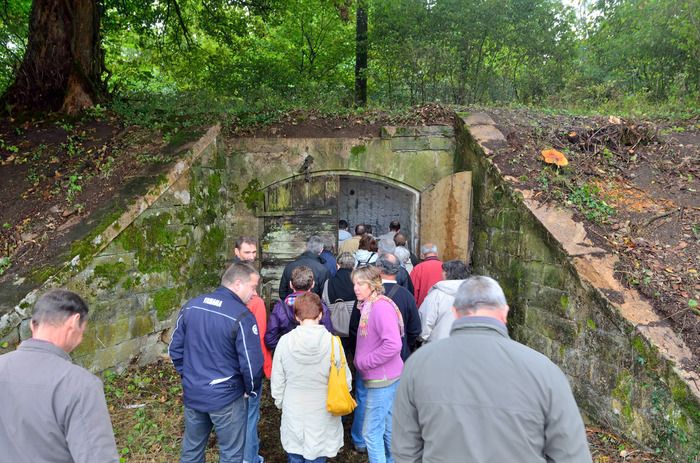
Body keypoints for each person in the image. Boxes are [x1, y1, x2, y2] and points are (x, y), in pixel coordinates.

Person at [392, 276, 592, 463]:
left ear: (454, 312)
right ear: (505, 312)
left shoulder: (418, 365)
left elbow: (406, 450)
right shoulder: (544, 370)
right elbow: (572, 454)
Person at [0, 289, 119, 463]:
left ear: (33, 325)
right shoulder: (80, 385)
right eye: (83, 331)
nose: (81, 339)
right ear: (74, 322)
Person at [170, 263, 264, 463]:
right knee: (231, 453)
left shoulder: (192, 305)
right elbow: (252, 363)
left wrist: (189, 377)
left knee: (192, 449)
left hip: (194, 392)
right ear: (238, 284)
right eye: (253, 287)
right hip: (227, 398)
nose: (255, 294)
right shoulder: (242, 316)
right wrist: (251, 389)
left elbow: (175, 350)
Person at [271, 292, 352, 463]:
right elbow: (346, 381)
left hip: (294, 407)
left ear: (296, 316)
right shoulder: (333, 342)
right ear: (321, 314)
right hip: (323, 409)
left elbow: (277, 378)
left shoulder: (285, 342)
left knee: (294, 454)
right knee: (318, 454)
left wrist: (280, 402)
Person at [352, 266, 404, 463]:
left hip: (382, 378)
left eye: (361, 283)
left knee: (371, 433)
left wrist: (365, 362)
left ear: (373, 284)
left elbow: (393, 344)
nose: (356, 288)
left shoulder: (380, 307)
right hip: (386, 376)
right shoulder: (369, 304)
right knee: (388, 427)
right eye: (355, 283)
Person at [233, 237, 272, 463]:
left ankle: (246, 454)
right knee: (249, 415)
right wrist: (264, 367)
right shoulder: (254, 302)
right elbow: (258, 337)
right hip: (247, 367)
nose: (252, 257)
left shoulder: (228, 286)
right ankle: (248, 458)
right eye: (247, 252)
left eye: (254, 252)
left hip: (230, 366)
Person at [266, 266, 334, 351]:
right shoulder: (321, 307)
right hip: (313, 356)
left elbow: (270, 339)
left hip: (288, 357)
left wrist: (286, 350)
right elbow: (328, 334)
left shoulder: (279, 308)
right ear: (313, 284)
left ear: (290, 284)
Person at [376, 253, 421, 360]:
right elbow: (415, 328)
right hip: (400, 353)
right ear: (397, 269)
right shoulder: (407, 295)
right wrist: (405, 343)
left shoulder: (370, 292)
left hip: (374, 351)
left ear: (379, 269)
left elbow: (356, 325)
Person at [418, 259, 470, 343]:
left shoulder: (436, 295)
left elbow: (425, 321)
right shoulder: (475, 294)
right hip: (466, 343)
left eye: (443, 271)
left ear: (447, 273)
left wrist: (423, 338)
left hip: (439, 344)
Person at [322, 252, 358, 354]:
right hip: (353, 327)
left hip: (335, 326)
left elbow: (324, 302)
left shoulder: (328, 283)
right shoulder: (358, 282)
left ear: (337, 265)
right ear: (353, 265)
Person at [279, 235, 330, 300]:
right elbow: (325, 296)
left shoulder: (289, 266)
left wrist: (289, 307)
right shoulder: (323, 270)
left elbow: (282, 293)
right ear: (321, 250)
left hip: (291, 308)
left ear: (306, 247)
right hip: (313, 308)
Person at [409, 243, 443, 308]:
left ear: (422, 255)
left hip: (423, 307)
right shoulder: (445, 267)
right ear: (437, 253)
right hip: (443, 307)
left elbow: (413, 291)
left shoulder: (418, 268)